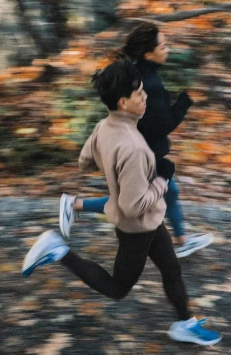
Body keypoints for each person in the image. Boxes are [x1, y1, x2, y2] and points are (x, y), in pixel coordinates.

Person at [21, 55, 221, 346]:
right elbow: (133, 206)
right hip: (136, 227)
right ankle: (58, 251)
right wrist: (162, 180)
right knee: (116, 288)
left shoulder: (105, 126)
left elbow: (84, 161)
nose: (145, 96)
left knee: (171, 268)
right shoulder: (135, 147)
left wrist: (112, 167)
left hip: (150, 220)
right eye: (139, 93)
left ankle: (183, 324)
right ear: (123, 102)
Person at [59, 21, 213, 258]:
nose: (168, 49)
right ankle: (74, 205)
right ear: (148, 53)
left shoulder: (134, 72)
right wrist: (184, 102)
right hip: (142, 152)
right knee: (135, 201)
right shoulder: (150, 84)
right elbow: (161, 126)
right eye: (164, 46)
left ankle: (183, 239)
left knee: (166, 192)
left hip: (133, 146)